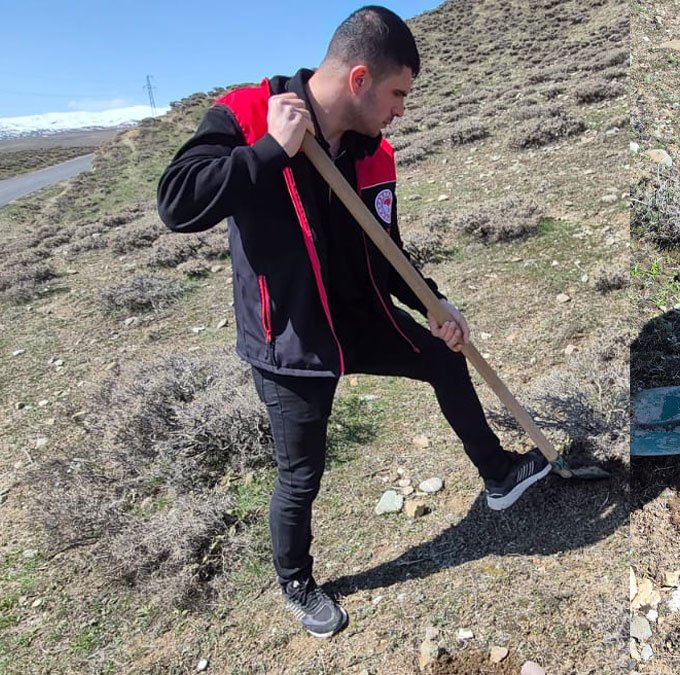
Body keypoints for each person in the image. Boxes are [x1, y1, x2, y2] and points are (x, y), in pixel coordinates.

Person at [157, 6, 551, 638]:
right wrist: (267, 153)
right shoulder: (245, 113)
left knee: (445, 359)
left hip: (360, 318)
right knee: (301, 472)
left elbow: (385, 246)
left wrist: (434, 302)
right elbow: (177, 203)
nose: (401, 109)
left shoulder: (375, 152)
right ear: (361, 78)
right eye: (398, 94)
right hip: (289, 337)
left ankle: (500, 475)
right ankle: (295, 581)